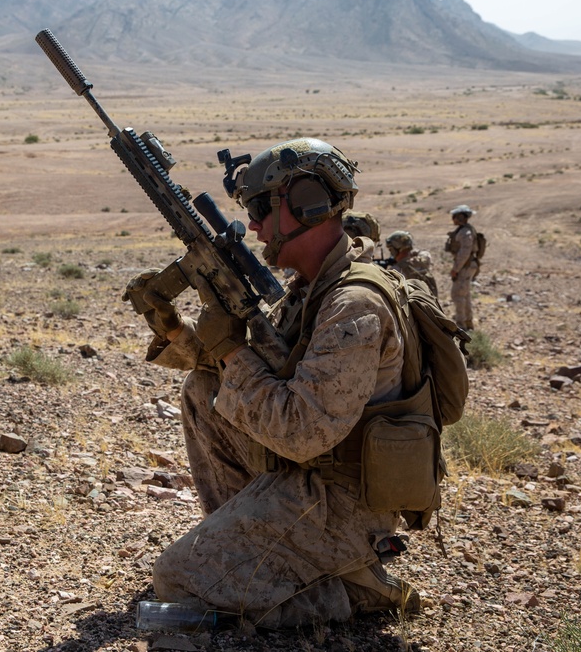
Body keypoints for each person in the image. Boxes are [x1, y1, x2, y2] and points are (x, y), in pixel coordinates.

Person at [124, 138, 424, 630]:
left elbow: (300, 433)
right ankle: (256, 550)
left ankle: (350, 592)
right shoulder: (313, 290)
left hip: (343, 505)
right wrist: (177, 330)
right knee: (204, 393)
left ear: (310, 205)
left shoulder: (354, 308)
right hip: (312, 477)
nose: (256, 224)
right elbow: (255, 372)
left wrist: (229, 348)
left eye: (263, 207)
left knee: (176, 580)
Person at [445, 205, 478, 331]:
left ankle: (461, 326)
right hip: (468, 266)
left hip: (465, 267)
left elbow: (464, 253)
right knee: (465, 294)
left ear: (459, 217)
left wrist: (455, 269)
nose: (453, 219)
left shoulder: (465, 232)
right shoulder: (465, 230)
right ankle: (468, 323)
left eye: (454, 217)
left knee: (458, 295)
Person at [385, 230, 438, 297]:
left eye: (391, 249)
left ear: (399, 248)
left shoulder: (396, 270)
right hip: (430, 303)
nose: (391, 252)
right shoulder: (423, 259)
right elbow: (423, 253)